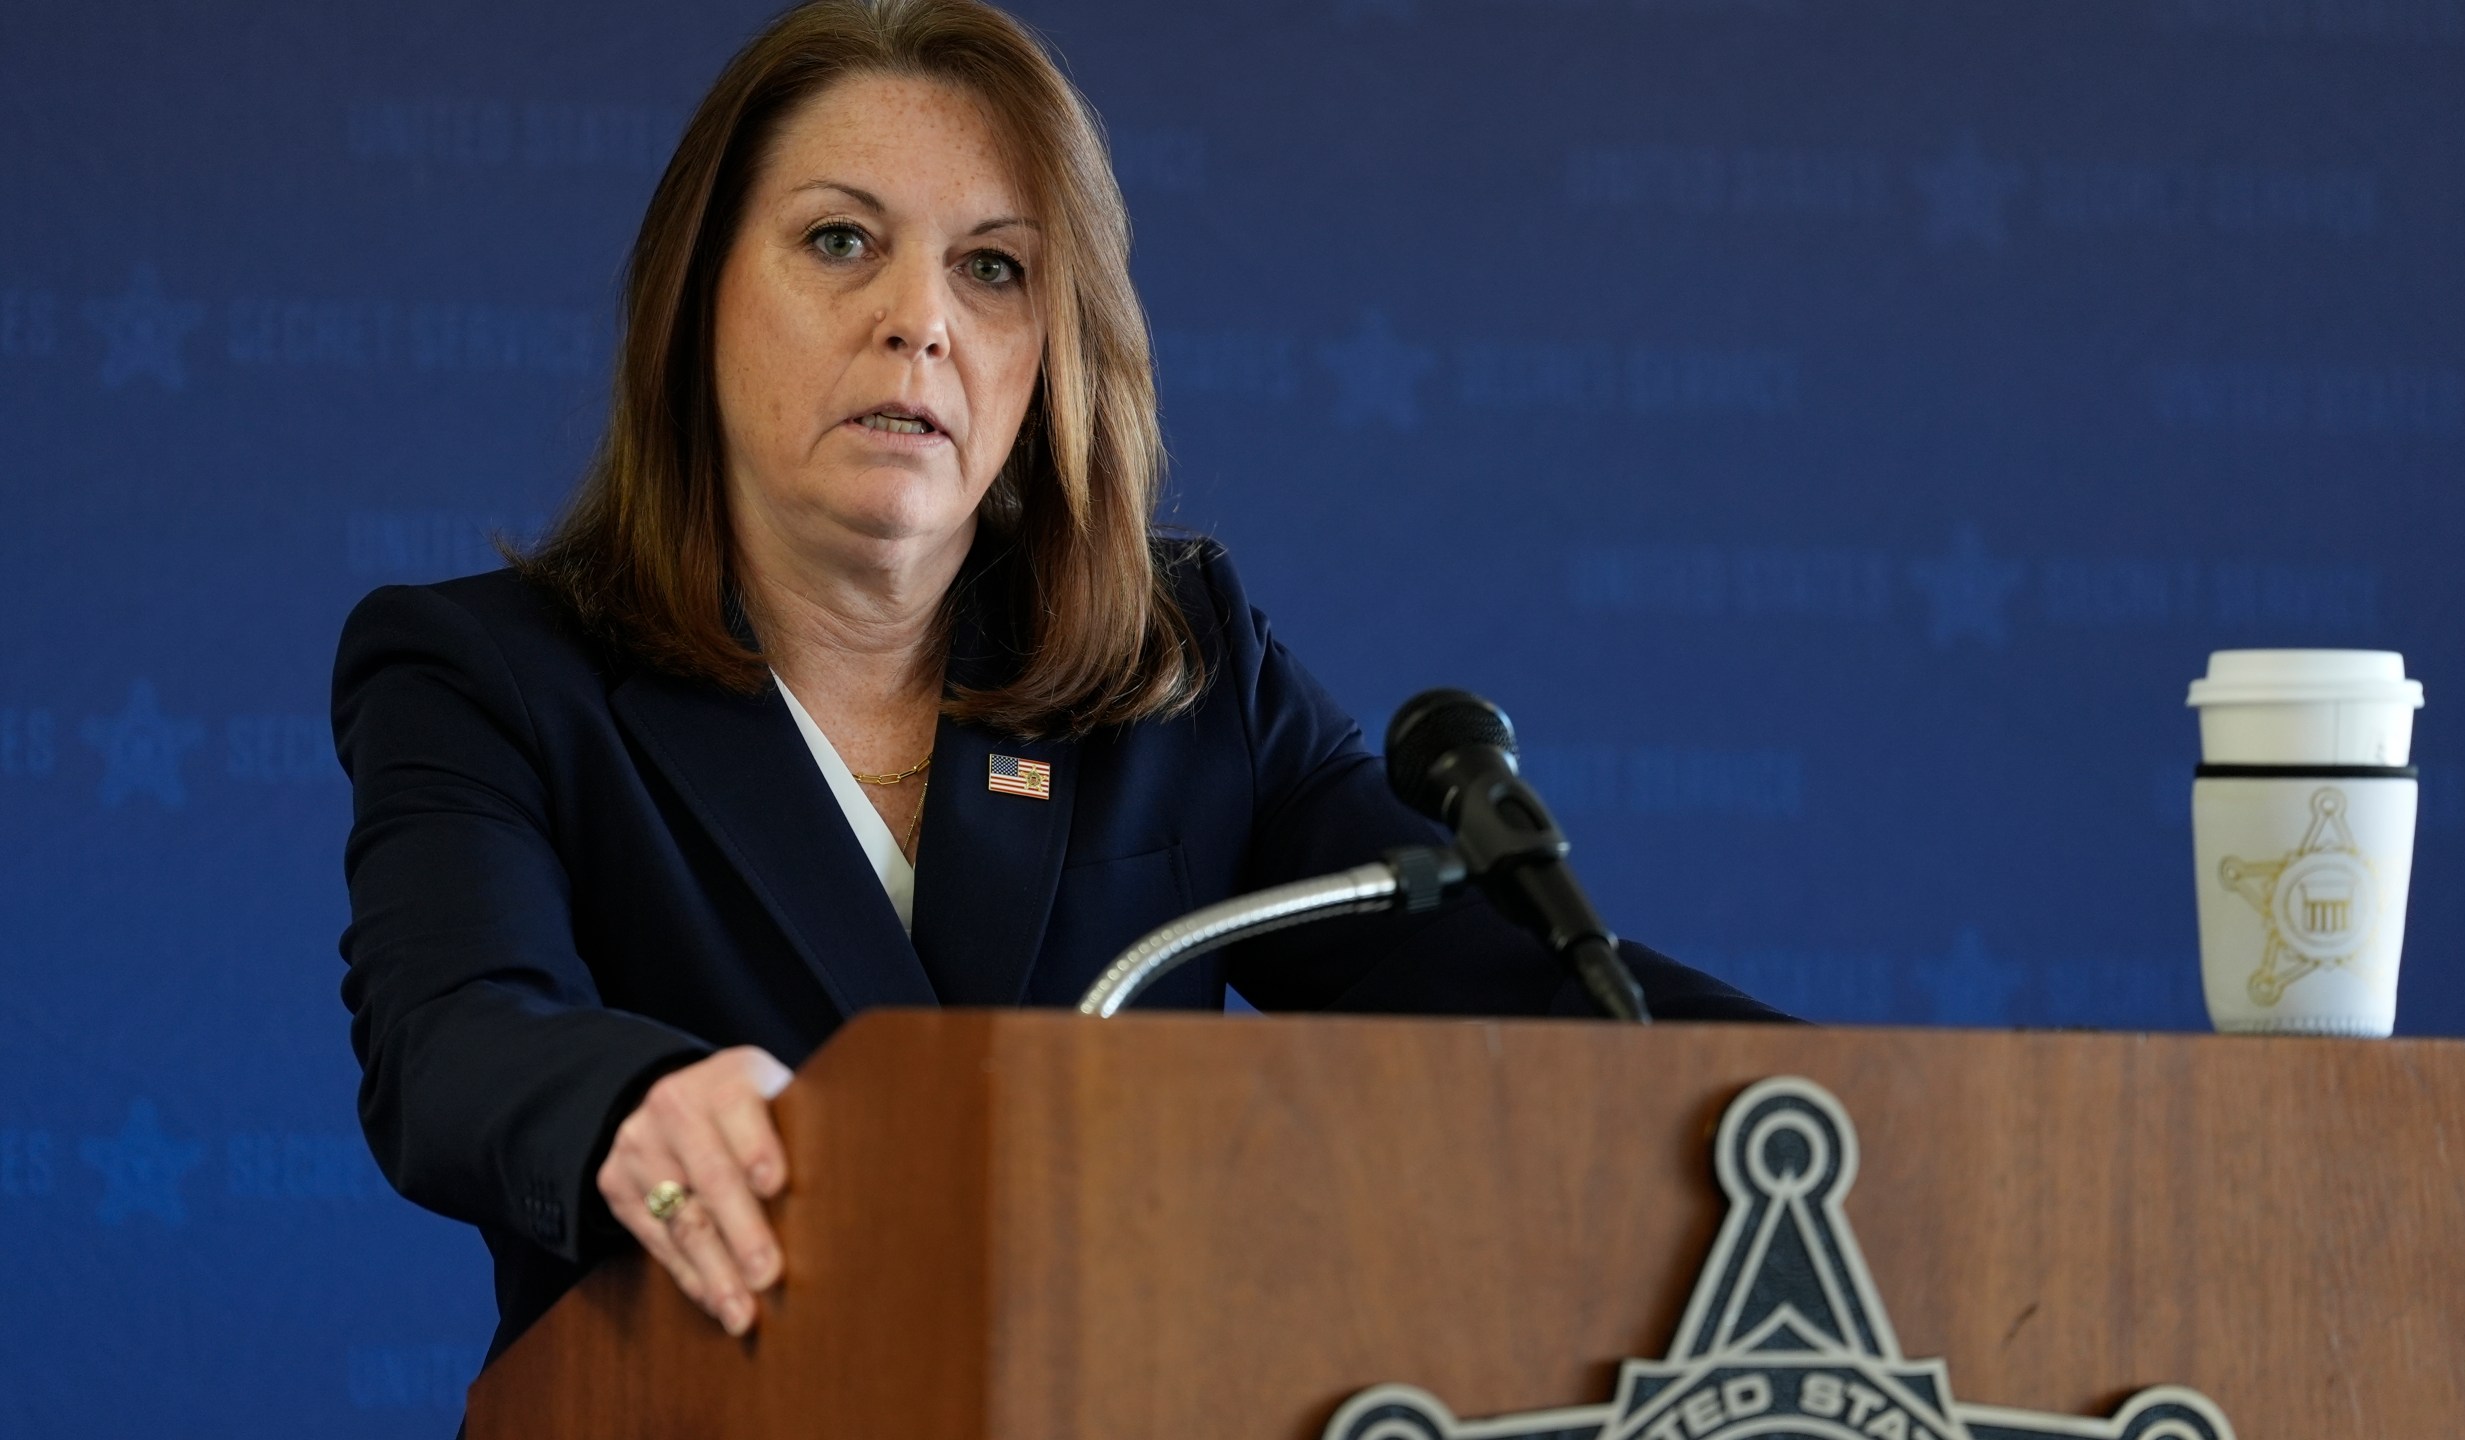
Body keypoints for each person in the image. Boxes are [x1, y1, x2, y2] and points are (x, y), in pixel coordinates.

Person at [331, 0, 1787, 1368]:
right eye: (840, 241)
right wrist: (624, 1108)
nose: (921, 320)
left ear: (1051, 350)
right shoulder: (493, 677)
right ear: (697, 296)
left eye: (993, 267)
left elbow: (1501, 984)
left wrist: (1862, 1103)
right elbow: (455, 1034)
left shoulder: (1181, 668)